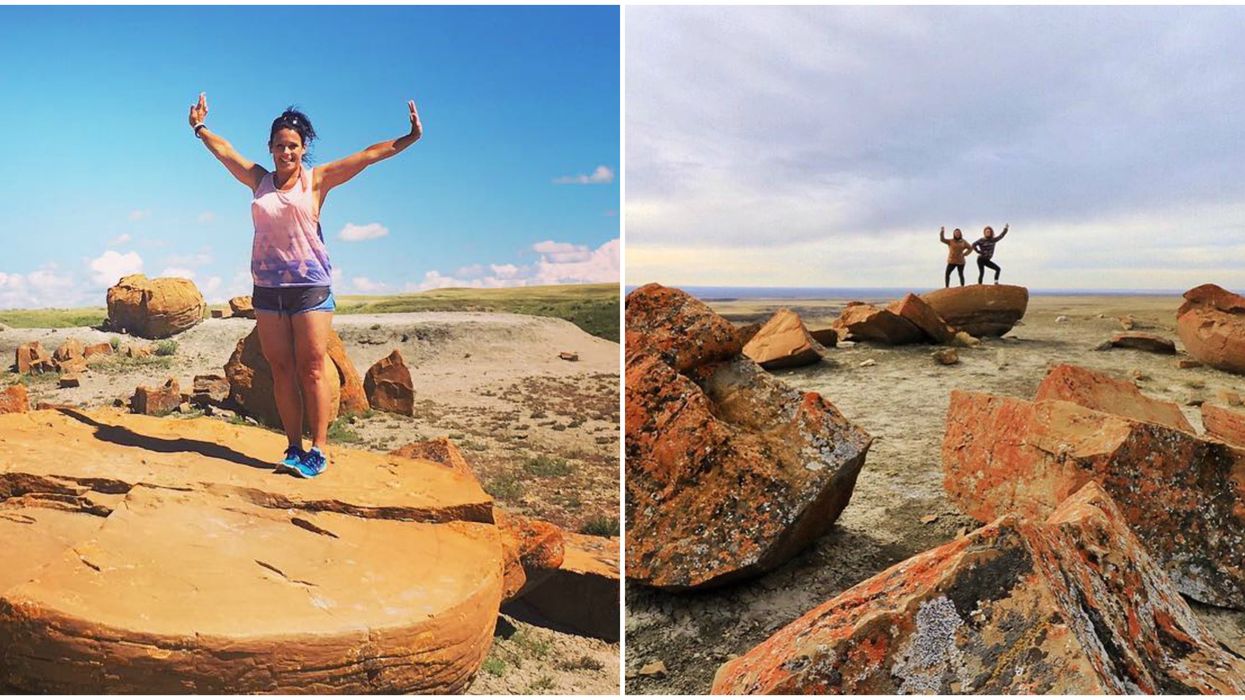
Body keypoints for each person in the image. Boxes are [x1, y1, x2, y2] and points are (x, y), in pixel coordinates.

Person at [188, 92, 423, 478]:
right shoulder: (259, 180)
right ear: (271, 147)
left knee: (311, 369)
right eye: (280, 146)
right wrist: (199, 127)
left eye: (293, 146)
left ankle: (319, 449)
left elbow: (366, 155)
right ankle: (293, 446)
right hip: (267, 289)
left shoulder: (316, 181)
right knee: (281, 369)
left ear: (303, 148)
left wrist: (407, 138)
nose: (286, 153)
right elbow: (225, 151)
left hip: (309, 287)